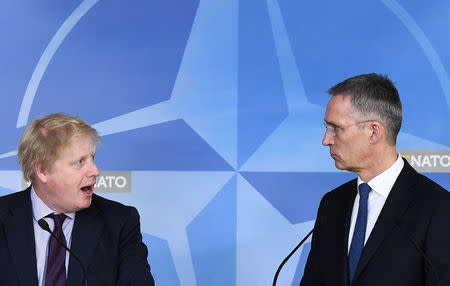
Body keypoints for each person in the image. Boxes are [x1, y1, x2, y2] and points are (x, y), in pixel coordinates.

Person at [300, 74, 450, 286]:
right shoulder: (332, 204)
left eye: (336, 128)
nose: (326, 140)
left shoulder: (438, 207)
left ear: (373, 132)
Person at [0, 113, 155, 285]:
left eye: (92, 158)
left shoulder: (120, 222)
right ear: (43, 170)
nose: (95, 171)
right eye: (80, 162)